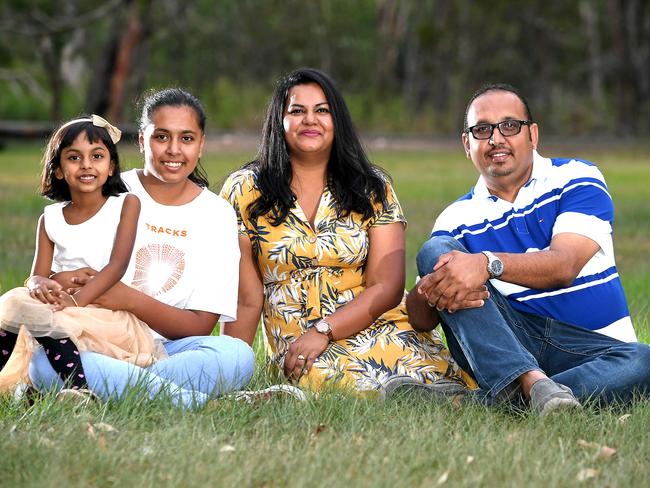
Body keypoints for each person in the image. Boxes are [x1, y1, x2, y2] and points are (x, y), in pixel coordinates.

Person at [220, 68, 474, 393]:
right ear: (279, 121)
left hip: (375, 320)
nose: (310, 120)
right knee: (330, 378)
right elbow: (246, 297)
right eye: (297, 111)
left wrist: (326, 329)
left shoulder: (372, 187)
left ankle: (435, 396)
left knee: (435, 374)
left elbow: (388, 285)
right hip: (299, 336)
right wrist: (229, 373)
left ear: (336, 119)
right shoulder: (245, 190)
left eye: (322, 111)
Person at [404, 83, 650, 414]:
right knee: (436, 250)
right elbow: (422, 320)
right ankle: (534, 384)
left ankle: (494, 400)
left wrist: (485, 263)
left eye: (509, 126)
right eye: (482, 130)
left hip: (598, 351)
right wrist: (427, 290)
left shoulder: (577, 178)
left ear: (532, 135)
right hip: (512, 339)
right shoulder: (454, 220)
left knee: (643, 361)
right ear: (467, 144)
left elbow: (564, 266)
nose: (495, 139)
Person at [25, 88, 254, 407]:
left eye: (187, 138)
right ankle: (192, 402)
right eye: (162, 137)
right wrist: (57, 281)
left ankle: (108, 388)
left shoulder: (216, 215)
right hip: (95, 341)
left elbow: (200, 324)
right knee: (43, 363)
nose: (174, 150)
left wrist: (128, 299)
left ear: (201, 145)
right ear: (142, 140)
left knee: (236, 355)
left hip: (166, 351)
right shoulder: (104, 186)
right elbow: (56, 266)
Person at [0, 115, 165, 396]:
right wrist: (39, 284)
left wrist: (75, 300)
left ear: (111, 166)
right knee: (16, 300)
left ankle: (80, 390)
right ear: (59, 170)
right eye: (74, 157)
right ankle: (64, 389)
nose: (86, 164)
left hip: (107, 317)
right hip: (59, 310)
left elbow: (117, 266)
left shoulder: (126, 205)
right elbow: (36, 275)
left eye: (97, 156)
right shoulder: (50, 219)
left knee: (46, 318)